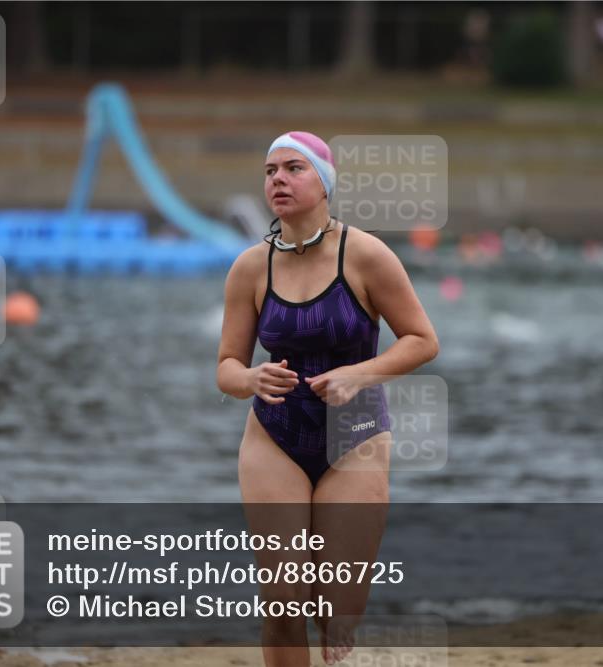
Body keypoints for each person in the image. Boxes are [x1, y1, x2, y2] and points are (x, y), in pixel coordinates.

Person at [216, 131, 439, 666]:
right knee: (283, 606)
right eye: (270, 171)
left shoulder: (366, 255)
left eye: (294, 169)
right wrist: (251, 380)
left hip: (355, 435)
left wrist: (359, 375)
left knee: (337, 610)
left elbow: (423, 340)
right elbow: (226, 367)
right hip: (275, 437)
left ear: (324, 183)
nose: (278, 180)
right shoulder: (251, 266)